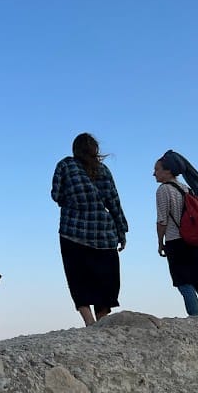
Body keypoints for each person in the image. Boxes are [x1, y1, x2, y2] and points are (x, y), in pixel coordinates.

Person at [51, 133, 128, 326]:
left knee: (78, 278)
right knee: (104, 279)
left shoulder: (65, 165)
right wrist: (121, 231)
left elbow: (56, 195)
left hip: (72, 231)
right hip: (103, 234)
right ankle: (102, 320)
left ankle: (89, 322)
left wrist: (71, 200)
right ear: (95, 150)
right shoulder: (104, 170)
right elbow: (114, 202)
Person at [153, 150, 198, 316]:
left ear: (168, 171)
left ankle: (194, 317)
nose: (154, 173)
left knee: (184, 282)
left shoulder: (163, 190)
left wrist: (160, 242)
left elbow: (162, 221)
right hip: (194, 240)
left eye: (157, 169)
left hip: (176, 241)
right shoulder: (187, 189)